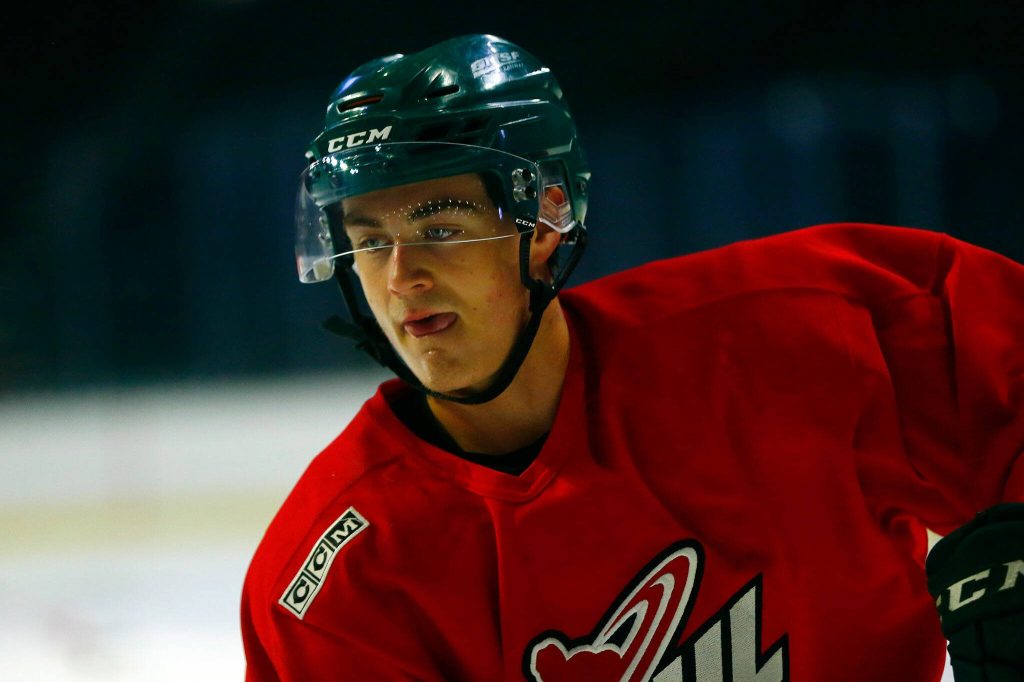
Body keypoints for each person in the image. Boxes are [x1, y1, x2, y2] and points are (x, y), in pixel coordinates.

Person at [241, 34, 1024, 681]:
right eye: (369, 241)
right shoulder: (336, 581)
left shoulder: (799, 337)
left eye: (441, 227)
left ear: (543, 224)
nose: (401, 275)